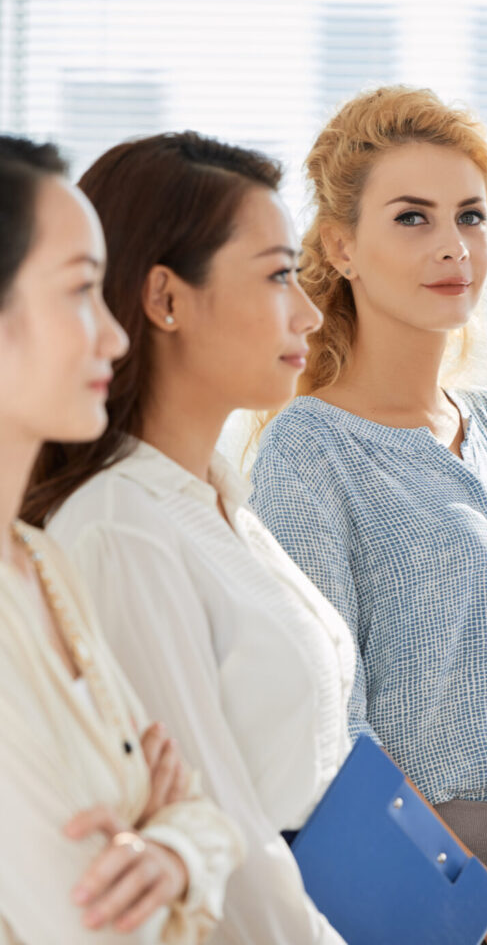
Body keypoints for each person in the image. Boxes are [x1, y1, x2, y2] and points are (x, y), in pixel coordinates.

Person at [248, 86, 487, 945]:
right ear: (340, 247)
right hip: (397, 893)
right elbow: (330, 731)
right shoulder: (309, 450)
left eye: (471, 217)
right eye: (412, 218)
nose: (454, 248)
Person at [23, 132, 354, 945]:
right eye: (279, 275)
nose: (308, 313)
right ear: (166, 299)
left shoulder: (218, 502)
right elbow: (224, 836)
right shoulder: (121, 532)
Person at [0, 135, 237, 943]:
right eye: (78, 293)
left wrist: (171, 844)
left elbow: (206, 818)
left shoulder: (42, 562)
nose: (116, 336)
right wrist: (169, 827)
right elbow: (98, 926)